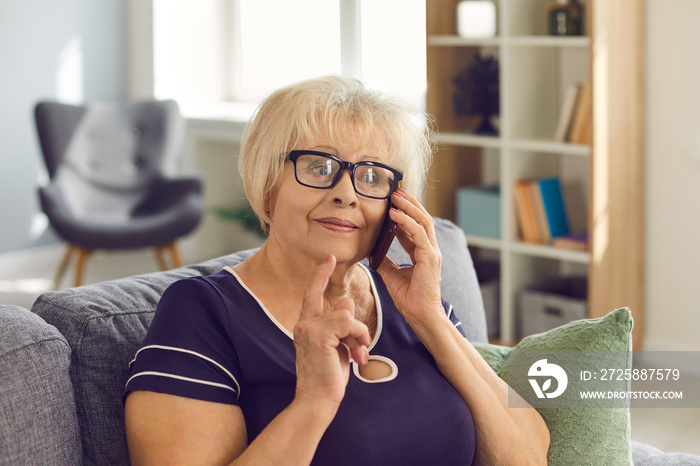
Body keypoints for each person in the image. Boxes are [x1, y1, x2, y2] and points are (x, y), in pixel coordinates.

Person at [124, 75, 549, 465]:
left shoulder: (418, 306)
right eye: (319, 167)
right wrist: (314, 402)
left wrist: (431, 319)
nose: (346, 193)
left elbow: (528, 459)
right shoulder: (203, 313)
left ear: (395, 205)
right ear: (267, 186)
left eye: (371, 175)